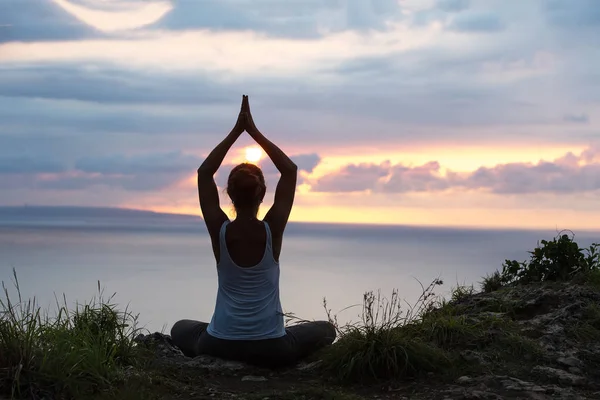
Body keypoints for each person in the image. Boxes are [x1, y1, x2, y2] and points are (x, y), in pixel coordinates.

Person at [170, 95, 336, 369]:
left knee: (180, 328)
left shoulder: (220, 233)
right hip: (272, 348)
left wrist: (237, 131)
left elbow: (204, 173)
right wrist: (254, 131)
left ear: (229, 195)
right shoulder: (272, 231)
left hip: (219, 343)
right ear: (263, 194)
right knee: (327, 329)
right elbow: (290, 171)